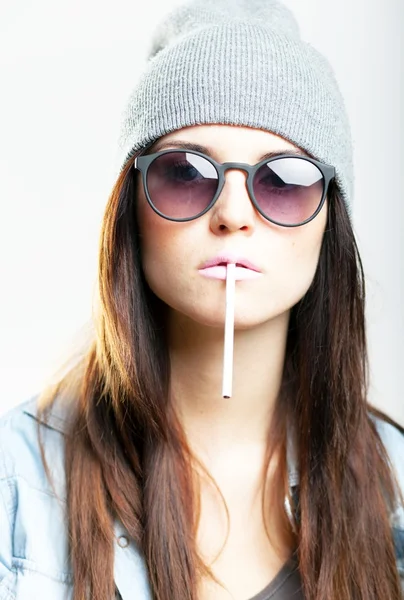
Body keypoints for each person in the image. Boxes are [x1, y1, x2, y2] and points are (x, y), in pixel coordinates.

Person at [0, 0, 403, 599]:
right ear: (132, 209)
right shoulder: (16, 479)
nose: (234, 214)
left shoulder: (395, 482)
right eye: (185, 174)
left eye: (285, 181)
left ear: (330, 221)